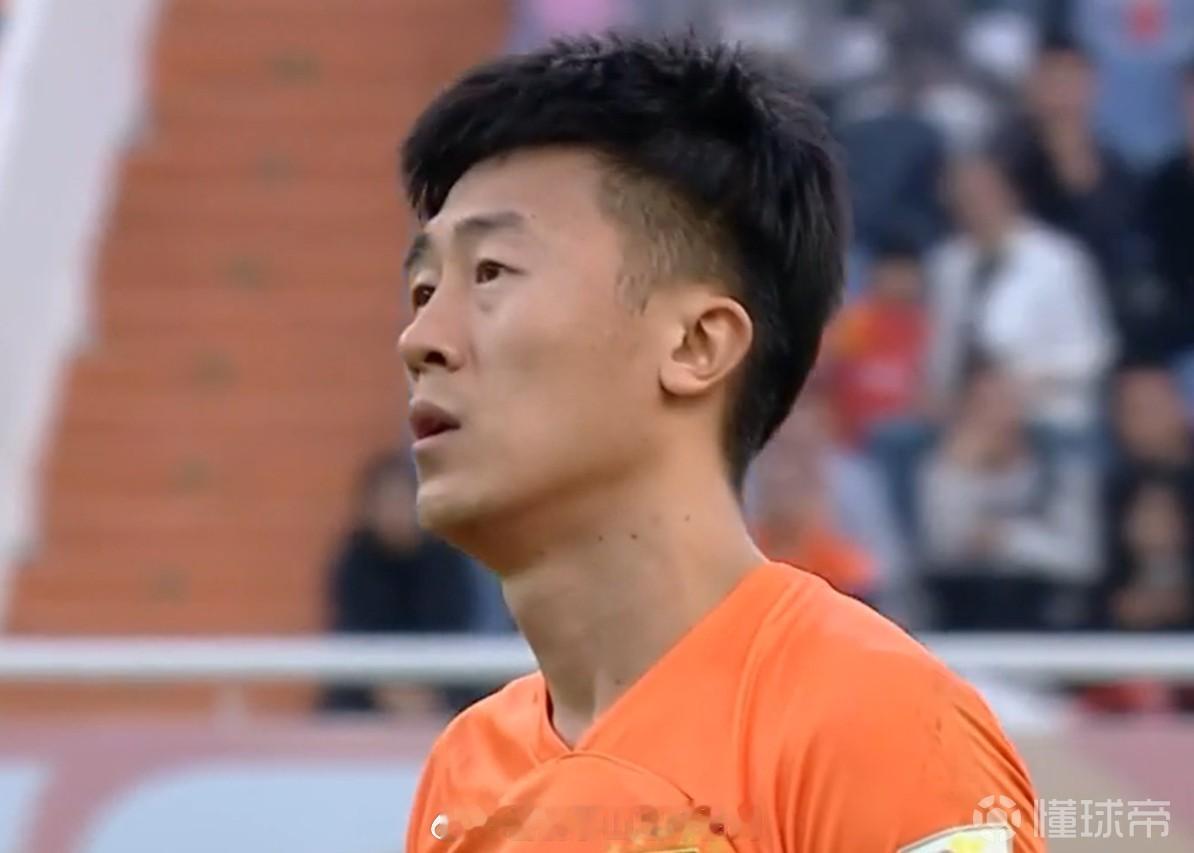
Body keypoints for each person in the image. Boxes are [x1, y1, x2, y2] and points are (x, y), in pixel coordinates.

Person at [398, 34, 1039, 852]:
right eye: (423, 288)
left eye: (490, 272)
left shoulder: (880, 726)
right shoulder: (463, 770)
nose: (420, 338)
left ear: (697, 344)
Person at [925, 152, 1115, 440]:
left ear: (1011, 193)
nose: (974, 204)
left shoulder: (1059, 260)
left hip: (1045, 414)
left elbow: (1094, 353)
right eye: (964, 195)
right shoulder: (947, 264)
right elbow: (943, 350)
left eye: (984, 193)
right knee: (899, 438)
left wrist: (1021, 384)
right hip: (966, 415)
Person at [917, 364, 1100, 631]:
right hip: (960, 617)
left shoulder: (1060, 469)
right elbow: (941, 548)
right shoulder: (943, 469)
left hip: (1046, 616)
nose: (996, 416)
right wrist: (961, 473)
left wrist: (1007, 539)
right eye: (983, 405)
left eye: (1006, 401)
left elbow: (1082, 558)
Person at [318, 452, 479, 715]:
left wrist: (424, 694)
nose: (395, 513)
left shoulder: (446, 561)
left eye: (403, 502)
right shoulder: (355, 562)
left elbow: (453, 631)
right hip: (365, 693)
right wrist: (389, 688)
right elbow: (355, 633)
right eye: (386, 502)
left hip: (440, 690)